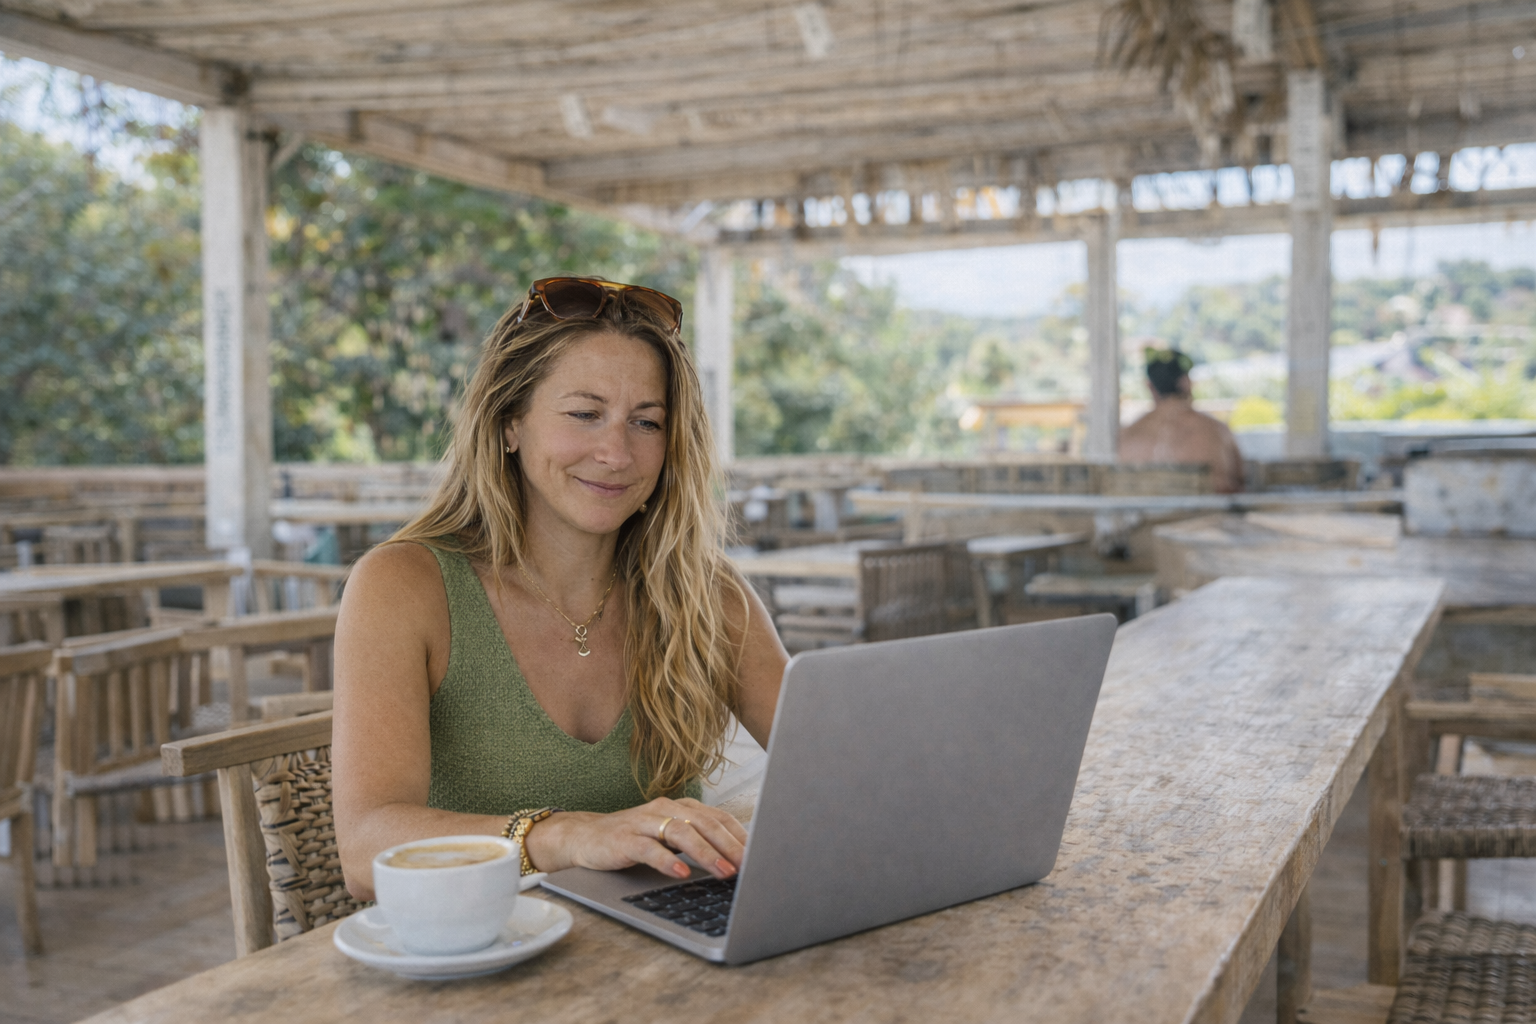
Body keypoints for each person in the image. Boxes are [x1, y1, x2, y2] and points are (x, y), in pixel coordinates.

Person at [332, 277, 789, 901]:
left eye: (647, 422)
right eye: (584, 414)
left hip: (664, 954)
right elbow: (364, 851)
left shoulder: (705, 591)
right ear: (509, 422)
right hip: (478, 957)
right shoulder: (403, 586)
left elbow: (835, 762)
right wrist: (569, 837)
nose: (616, 452)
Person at [1118, 347, 1244, 493]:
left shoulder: (1126, 435)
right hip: (1207, 515)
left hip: (1141, 515)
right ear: (1186, 382)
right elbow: (1240, 484)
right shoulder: (1218, 432)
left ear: (1150, 386)